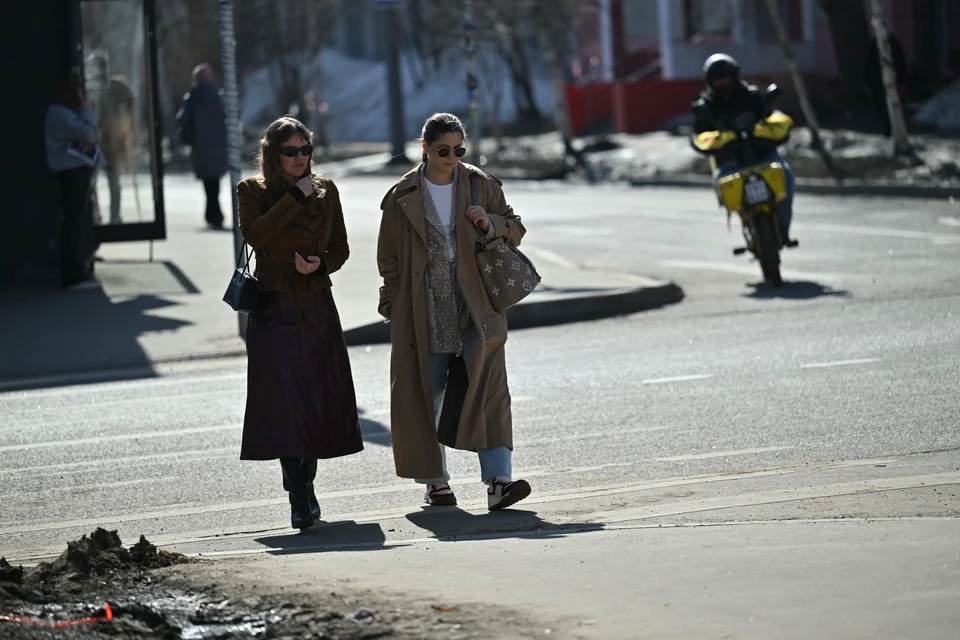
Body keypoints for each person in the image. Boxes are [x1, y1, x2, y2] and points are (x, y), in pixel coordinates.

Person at [377, 112, 531, 511]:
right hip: (422, 304)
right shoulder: (402, 194)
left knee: (490, 388)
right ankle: (434, 482)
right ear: (424, 147)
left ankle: (499, 480)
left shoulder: (479, 184)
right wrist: (393, 302)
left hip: (475, 301)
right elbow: (389, 258)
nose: (452, 157)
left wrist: (490, 222)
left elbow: (515, 227)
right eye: (443, 150)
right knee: (425, 393)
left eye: (459, 149)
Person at [237, 116, 363, 530]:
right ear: (273, 155)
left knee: (315, 399)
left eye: (305, 150)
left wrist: (320, 264)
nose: (300, 158)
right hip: (273, 309)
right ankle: (297, 494)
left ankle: (308, 487)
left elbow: (341, 248)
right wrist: (293, 196)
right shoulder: (251, 190)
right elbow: (256, 236)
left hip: (316, 304)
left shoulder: (327, 191)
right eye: (291, 151)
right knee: (284, 403)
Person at [692, 53, 795, 240]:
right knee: (719, 181)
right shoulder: (705, 106)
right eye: (717, 79)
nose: (722, 83)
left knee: (786, 174)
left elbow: (770, 117)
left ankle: (783, 228)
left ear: (735, 76)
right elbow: (700, 136)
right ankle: (746, 220)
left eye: (725, 78)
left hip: (763, 155)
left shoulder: (752, 95)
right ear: (710, 81)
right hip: (729, 163)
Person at [44, 69, 102, 290]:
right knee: (74, 222)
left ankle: (77, 270)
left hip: (74, 170)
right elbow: (91, 134)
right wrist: (87, 111)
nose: (82, 94)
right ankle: (73, 275)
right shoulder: (60, 113)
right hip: (71, 172)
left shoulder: (62, 112)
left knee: (76, 220)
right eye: (78, 89)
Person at [86, 51, 134, 225]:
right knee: (92, 184)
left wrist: (124, 126)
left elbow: (130, 102)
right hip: (94, 142)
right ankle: (95, 216)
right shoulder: (88, 87)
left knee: (113, 182)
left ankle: (114, 216)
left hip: (110, 143)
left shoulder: (117, 86)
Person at [177, 63, 228, 228]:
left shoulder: (191, 98)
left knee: (208, 183)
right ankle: (214, 214)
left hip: (200, 147)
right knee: (215, 182)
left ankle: (213, 214)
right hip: (218, 146)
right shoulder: (219, 97)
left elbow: (182, 119)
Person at [864, 26, 908, 137]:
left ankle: (892, 129)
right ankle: (890, 128)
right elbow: (869, 63)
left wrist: (902, 80)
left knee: (890, 105)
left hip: (889, 81)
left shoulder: (889, 42)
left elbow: (900, 62)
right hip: (878, 82)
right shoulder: (876, 43)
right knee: (883, 106)